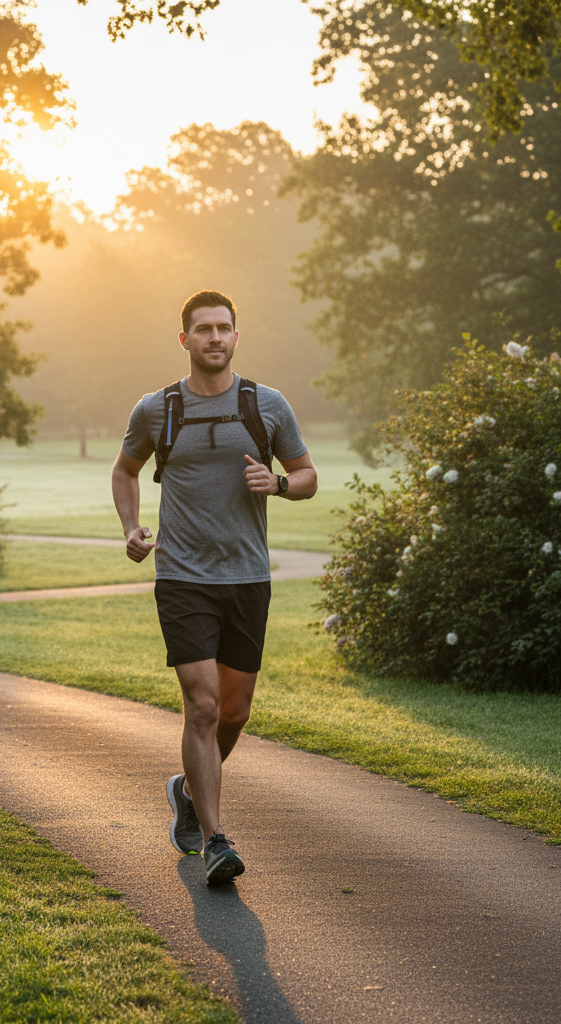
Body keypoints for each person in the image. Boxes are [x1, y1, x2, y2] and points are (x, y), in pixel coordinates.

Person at [111, 289, 317, 885]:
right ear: (185, 339)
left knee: (234, 711)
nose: (215, 338)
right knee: (200, 704)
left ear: (236, 335)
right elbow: (125, 470)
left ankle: (184, 790)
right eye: (203, 329)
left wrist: (276, 484)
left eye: (224, 328)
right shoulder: (157, 409)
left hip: (248, 577)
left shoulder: (266, 405)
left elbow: (306, 476)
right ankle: (215, 839)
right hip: (182, 577)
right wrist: (131, 526)